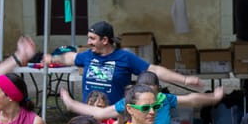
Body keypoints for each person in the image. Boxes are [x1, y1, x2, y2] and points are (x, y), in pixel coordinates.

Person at [46, 20, 203, 104]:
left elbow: (154, 70)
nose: (89, 42)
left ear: (105, 40)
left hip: (116, 118)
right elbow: (70, 57)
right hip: (91, 116)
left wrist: (184, 79)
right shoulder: (87, 56)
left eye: (92, 39)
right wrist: (53, 59)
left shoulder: (124, 57)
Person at [59, 70, 223, 124]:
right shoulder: (130, 101)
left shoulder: (164, 99)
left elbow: (190, 100)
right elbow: (102, 113)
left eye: (152, 91)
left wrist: (212, 97)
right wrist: (72, 104)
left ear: (158, 89)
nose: (148, 97)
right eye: (144, 91)